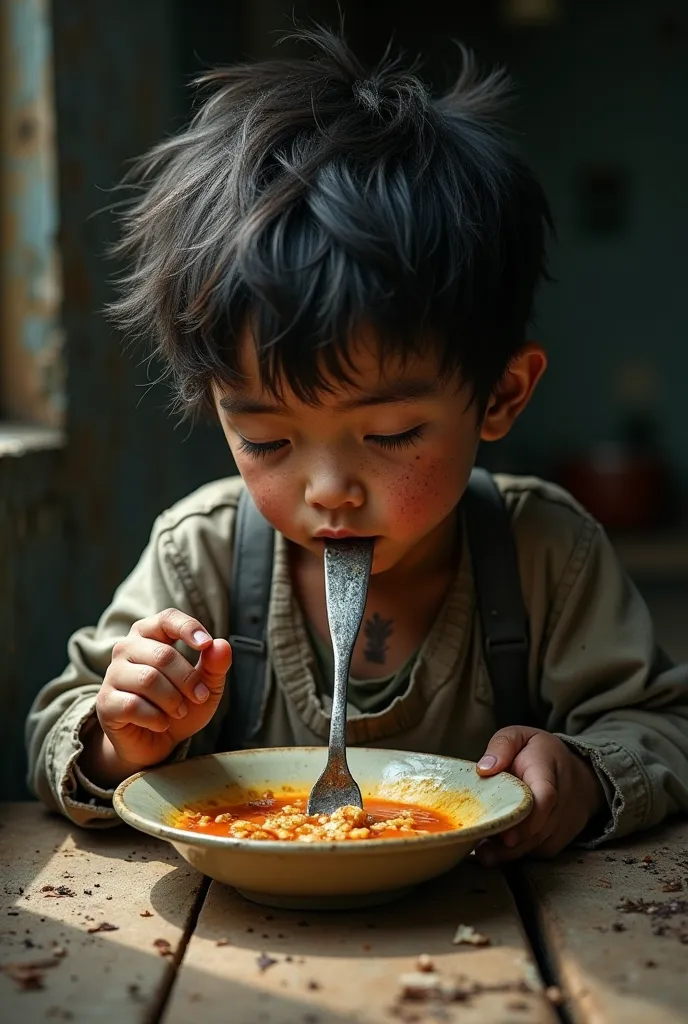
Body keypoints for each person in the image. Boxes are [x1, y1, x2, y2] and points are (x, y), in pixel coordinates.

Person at [26, 29, 688, 866]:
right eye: (266, 438)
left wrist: (587, 774)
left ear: (500, 395)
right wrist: (127, 739)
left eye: (389, 434)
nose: (330, 488)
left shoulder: (544, 556)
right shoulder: (203, 557)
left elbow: (666, 726)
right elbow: (59, 726)